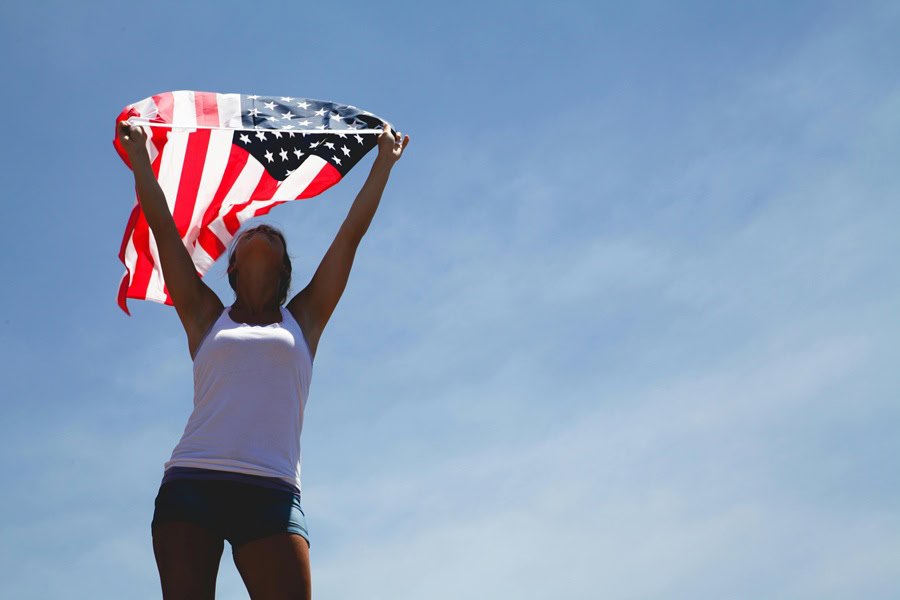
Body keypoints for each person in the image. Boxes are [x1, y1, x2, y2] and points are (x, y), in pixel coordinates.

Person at [116, 118, 409, 599]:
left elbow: (350, 236)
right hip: (194, 482)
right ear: (230, 267)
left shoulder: (305, 319)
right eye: (252, 233)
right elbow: (167, 236)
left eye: (276, 235)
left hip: (271, 492)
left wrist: (383, 164)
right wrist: (142, 162)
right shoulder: (206, 315)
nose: (264, 230)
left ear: (285, 268)